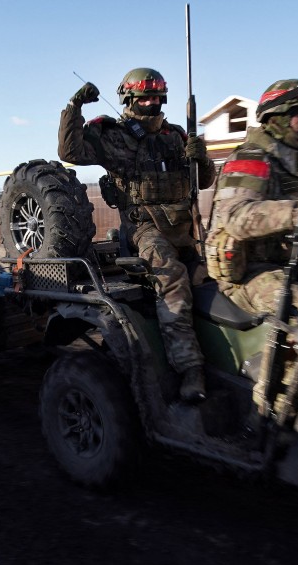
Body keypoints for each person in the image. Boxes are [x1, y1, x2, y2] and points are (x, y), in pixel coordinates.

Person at [59, 68, 216, 403]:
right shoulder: (112, 135)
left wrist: (202, 158)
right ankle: (189, 368)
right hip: (143, 228)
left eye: (156, 97)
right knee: (172, 279)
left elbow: (204, 181)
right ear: (129, 99)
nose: (151, 103)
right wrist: (74, 107)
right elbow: (70, 152)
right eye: (144, 98)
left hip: (183, 228)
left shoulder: (177, 136)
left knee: (210, 280)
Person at [205, 77, 298, 329]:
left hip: (295, 262)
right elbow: (236, 217)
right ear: (278, 117)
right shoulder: (251, 157)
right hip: (248, 272)